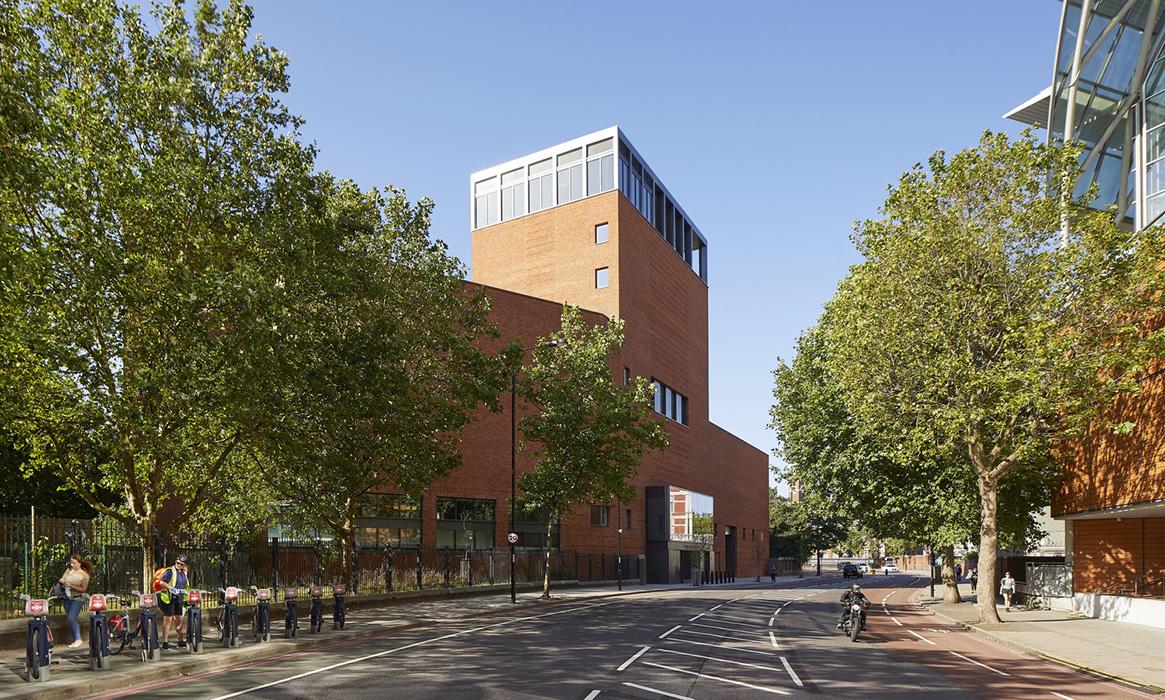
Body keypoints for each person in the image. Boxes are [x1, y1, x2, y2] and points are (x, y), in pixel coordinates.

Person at [58, 554, 93, 648]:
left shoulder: (84, 575)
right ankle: (75, 639)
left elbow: (83, 589)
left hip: (77, 599)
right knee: (70, 620)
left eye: (74, 563)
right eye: (71, 562)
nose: (72, 564)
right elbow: (62, 578)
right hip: (67, 598)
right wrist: (62, 581)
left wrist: (72, 586)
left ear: (79, 563)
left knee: (71, 618)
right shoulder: (68, 571)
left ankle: (78, 639)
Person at [158, 555, 190, 649]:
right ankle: (165, 642)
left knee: (179, 621)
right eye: (177, 563)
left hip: (179, 599)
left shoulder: (184, 573)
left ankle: (180, 640)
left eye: (181, 564)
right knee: (168, 620)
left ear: (184, 566)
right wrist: (172, 588)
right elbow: (162, 582)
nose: (178, 565)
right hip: (170, 599)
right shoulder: (170, 571)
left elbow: (186, 586)